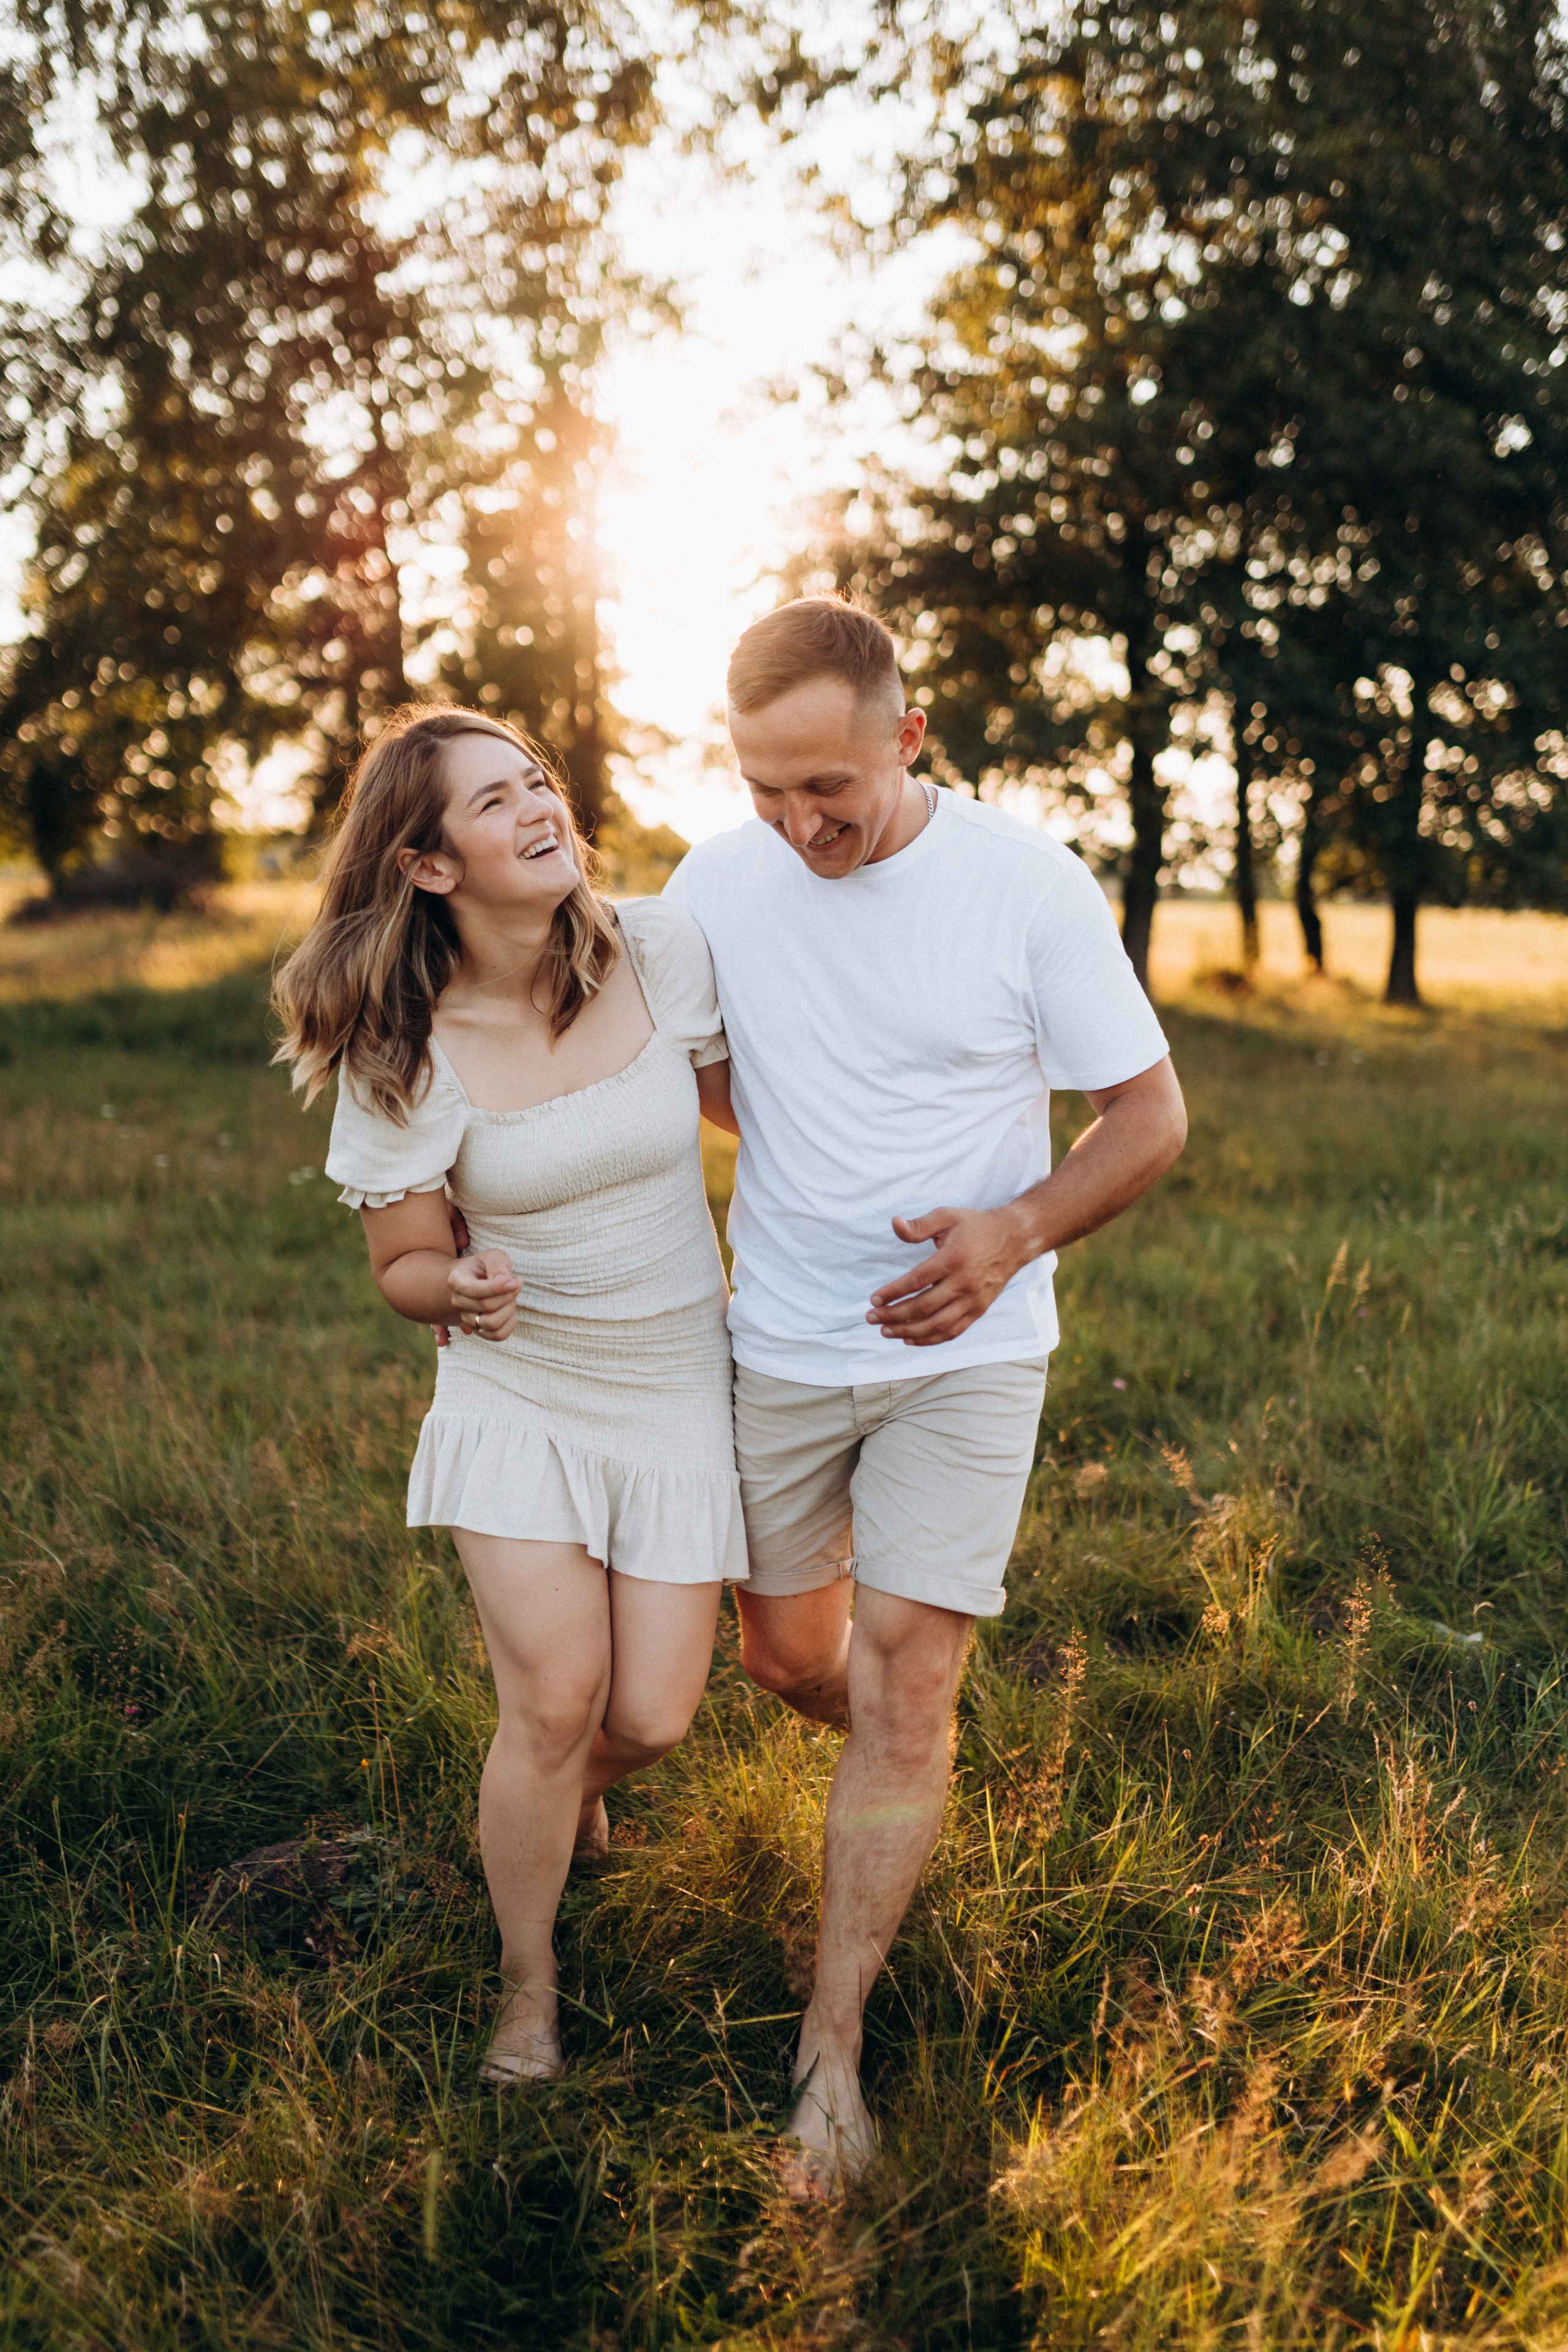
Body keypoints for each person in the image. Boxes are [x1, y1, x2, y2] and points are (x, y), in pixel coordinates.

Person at [665, 597, 1188, 2196]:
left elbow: (1148, 1115)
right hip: (778, 1340)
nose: (798, 824)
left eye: (828, 786)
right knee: (782, 1658)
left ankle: (829, 2053)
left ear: (906, 734)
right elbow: (707, 1081)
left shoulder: (1024, 886)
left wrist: (1012, 1230)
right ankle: (919, 1758)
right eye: (766, 789)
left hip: (969, 1355)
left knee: (901, 1679)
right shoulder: (715, 881)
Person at [273, 706, 745, 2086]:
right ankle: (526, 1992)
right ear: (427, 866)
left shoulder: (659, 951)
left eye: (536, 781)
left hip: (675, 1382)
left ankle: (535, 1804)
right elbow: (403, 1264)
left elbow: (762, 1120)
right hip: (519, 1388)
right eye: (494, 801)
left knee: (647, 1719)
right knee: (551, 1701)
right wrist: (455, 1287)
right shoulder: (404, 1050)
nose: (541, 807)